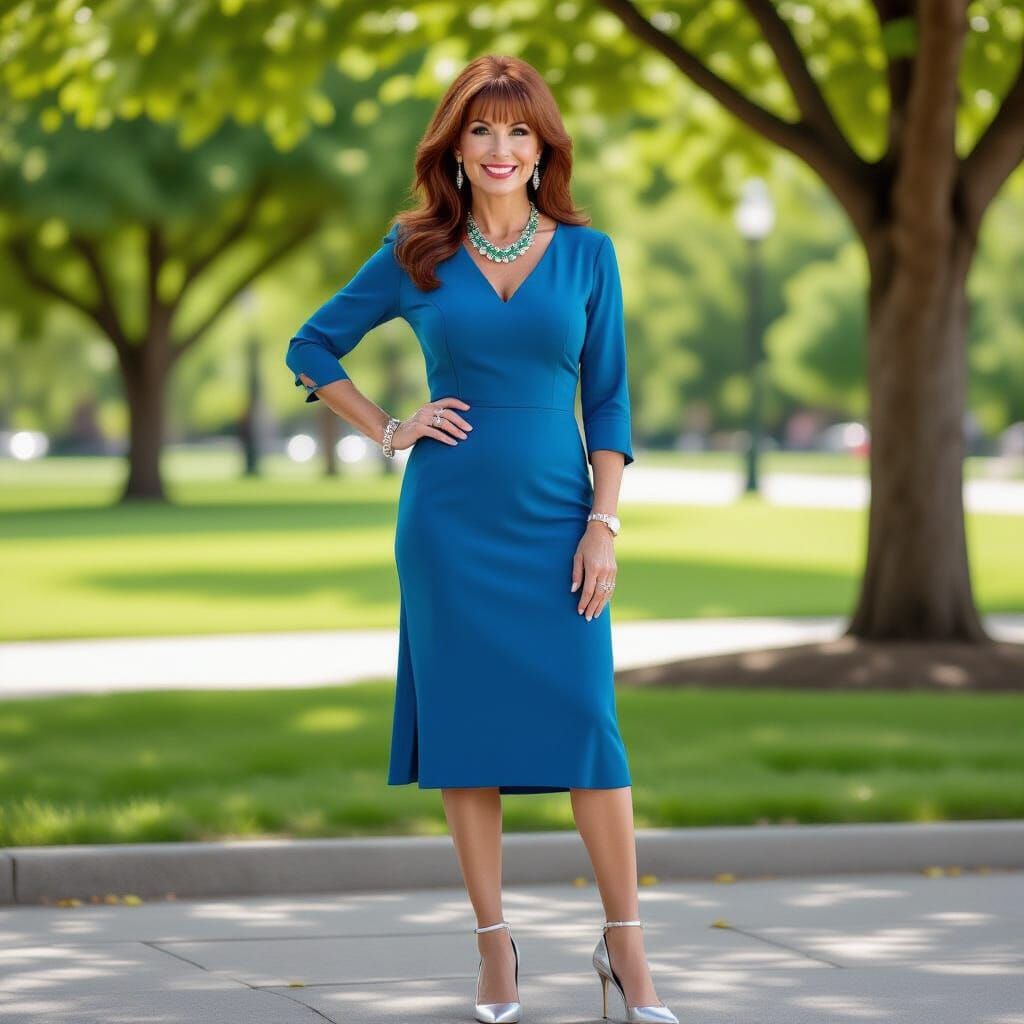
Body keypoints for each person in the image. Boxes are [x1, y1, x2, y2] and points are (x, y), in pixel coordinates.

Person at [285, 54, 677, 1024]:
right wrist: (387, 427)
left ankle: (628, 951)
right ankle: (495, 951)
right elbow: (311, 345)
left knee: (591, 727)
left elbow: (610, 397)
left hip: (558, 522)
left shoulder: (590, 256)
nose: (499, 150)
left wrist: (604, 521)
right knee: (466, 743)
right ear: (453, 147)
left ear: (544, 147)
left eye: (517, 131)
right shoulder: (417, 248)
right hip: (450, 525)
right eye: (479, 131)